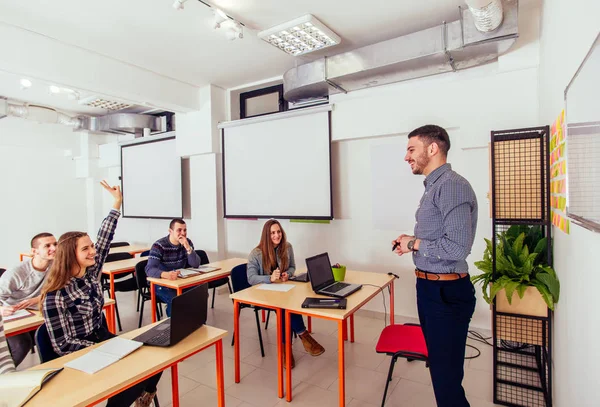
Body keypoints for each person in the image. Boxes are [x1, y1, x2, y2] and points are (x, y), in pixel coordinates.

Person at [41, 181, 161, 407]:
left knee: (153, 358)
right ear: (70, 255)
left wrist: (117, 203)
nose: (93, 251)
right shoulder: (55, 295)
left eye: (92, 246)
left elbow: (105, 237)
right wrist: (105, 349)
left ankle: (145, 397)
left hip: (101, 340)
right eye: (85, 249)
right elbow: (63, 345)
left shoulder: (90, 272)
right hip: (78, 354)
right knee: (132, 378)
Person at [392, 125, 478, 407]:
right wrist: (410, 240)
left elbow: (456, 247)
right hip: (430, 288)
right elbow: (438, 237)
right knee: (442, 373)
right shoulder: (434, 186)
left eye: (411, 149)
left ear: (433, 149)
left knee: (446, 379)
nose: (406, 157)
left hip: (445, 293)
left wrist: (414, 244)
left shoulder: (451, 186)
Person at [247, 219, 325, 369]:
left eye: (278, 232)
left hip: (282, 290)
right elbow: (251, 278)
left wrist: (287, 275)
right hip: (263, 293)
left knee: (288, 305)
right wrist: (269, 278)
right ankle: (303, 336)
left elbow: (292, 267)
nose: (277, 235)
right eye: (273, 233)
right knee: (284, 308)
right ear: (266, 235)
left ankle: (286, 349)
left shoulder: (287, 247)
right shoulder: (255, 254)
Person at [0, 232, 57, 367]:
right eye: (47, 245)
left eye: (55, 244)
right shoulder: (16, 272)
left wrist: (38, 299)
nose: (54, 248)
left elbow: (59, 287)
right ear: (34, 251)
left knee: (55, 337)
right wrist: (2, 309)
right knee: (22, 345)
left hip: (38, 311)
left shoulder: (56, 265)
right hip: (14, 313)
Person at [145, 218, 201, 317]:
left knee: (199, 293)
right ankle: (173, 327)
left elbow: (195, 264)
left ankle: (197, 324)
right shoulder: (159, 245)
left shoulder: (187, 242)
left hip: (179, 280)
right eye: (179, 230)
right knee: (175, 299)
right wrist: (165, 274)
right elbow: (149, 269)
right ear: (170, 231)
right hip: (160, 283)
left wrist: (188, 247)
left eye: (185, 230)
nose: (183, 233)